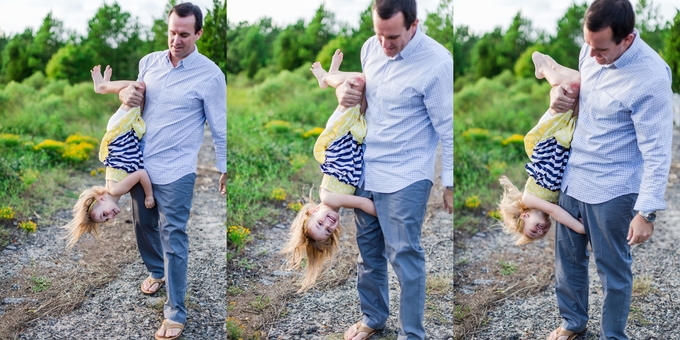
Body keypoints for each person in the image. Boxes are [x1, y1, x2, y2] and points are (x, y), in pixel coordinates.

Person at [546, 0, 673, 339]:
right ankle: (573, 323)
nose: (592, 55)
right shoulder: (591, 51)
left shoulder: (651, 77)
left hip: (613, 188)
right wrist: (560, 97)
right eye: (588, 45)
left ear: (627, 40)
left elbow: (658, 151)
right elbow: (580, 96)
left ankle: (613, 335)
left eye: (601, 49)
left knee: (612, 270)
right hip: (574, 177)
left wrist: (646, 212)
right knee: (568, 261)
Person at [335, 0, 453, 339]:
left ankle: (411, 333)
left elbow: (447, 127)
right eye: (379, 34)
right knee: (368, 253)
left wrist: (450, 182)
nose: (385, 45)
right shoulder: (371, 48)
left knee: (404, 254)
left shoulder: (437, 63)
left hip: (407, 173)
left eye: (394, 37)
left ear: (414, 24)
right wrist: (348, 95)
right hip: (367, 168)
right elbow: (369, 104)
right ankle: (373, 317)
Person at [117, 3, 226, 340]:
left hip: (177, 169)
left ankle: (175, 311)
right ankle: (155, 269)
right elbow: (132, 102)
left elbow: (219, 127)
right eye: (171, 32)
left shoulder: (210, 75)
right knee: (143, 223)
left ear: (198, 34)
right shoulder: (149, 63)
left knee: (174, 236)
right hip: (140, 163)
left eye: (183, 34)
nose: (176, 40)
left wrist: (224, 167)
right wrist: (123, 92)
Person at [282, 49, 376, 292]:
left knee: (359, 82)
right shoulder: (334, 203)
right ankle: (330, 75)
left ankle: (328, 76)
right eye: (328, 231)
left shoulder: (330, 198)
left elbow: (365, 205)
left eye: (320, 223)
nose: (329, 224)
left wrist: (391, 214)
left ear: (312, 211)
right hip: (350, 141)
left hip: (339, 139)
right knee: (365, 96)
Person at [62, 65, 155, 249]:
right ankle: (104, 84)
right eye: (106, 220)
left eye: (104, 215)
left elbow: (141, 174)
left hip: (119, 132)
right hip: (122, 133)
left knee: (140, 88)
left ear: (101, 200)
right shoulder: (113, 189)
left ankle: (102, 87)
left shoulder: (115, 190)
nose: (110, 217)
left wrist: (149, 196)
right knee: (142, 97)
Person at [498, 52, 585, 246]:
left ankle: (543, 69)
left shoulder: (530, 198)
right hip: (559, 139)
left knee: (573, 87)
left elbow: (556, 213)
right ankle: (552, 65)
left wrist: (580, 228)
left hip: (546, 140)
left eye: (533, 230)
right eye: (541, 234)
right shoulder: (549, 204)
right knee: (579, 83)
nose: (540, 230)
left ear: (525, 215)